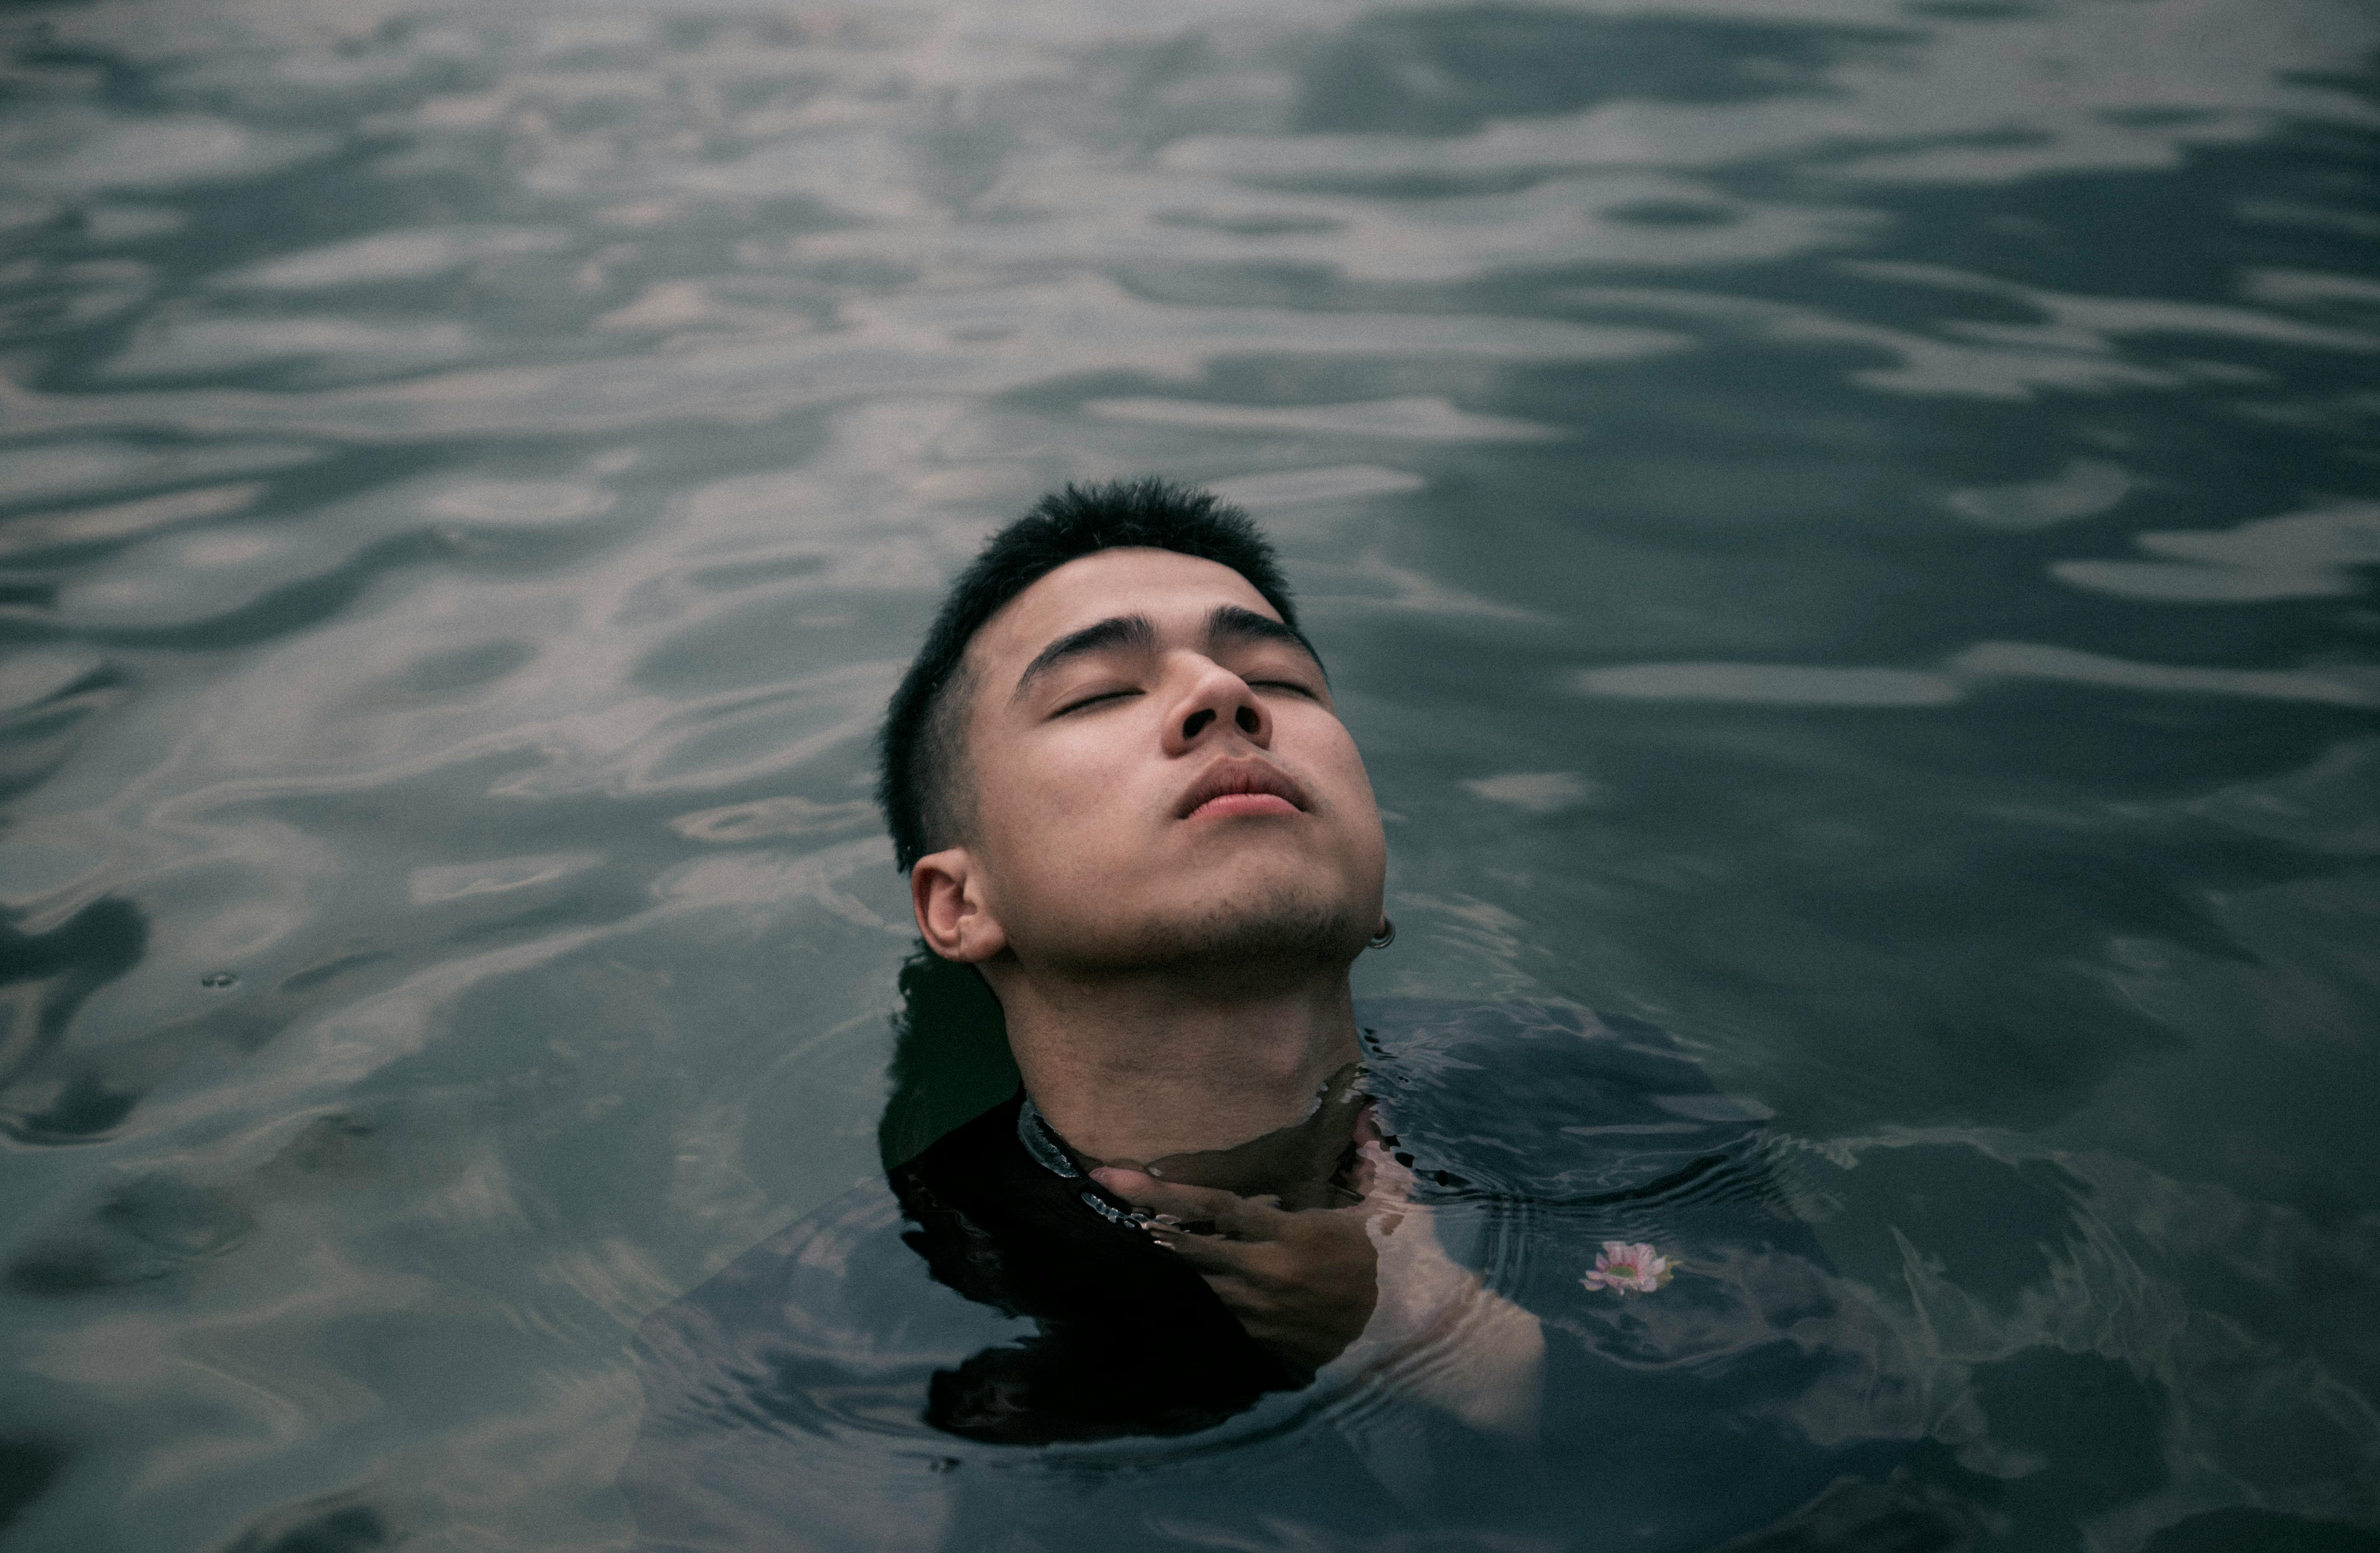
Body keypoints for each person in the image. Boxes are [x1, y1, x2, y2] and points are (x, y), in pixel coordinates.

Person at [620, 480, 1975, 1552]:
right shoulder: (810, 1347)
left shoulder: (1601, 1100)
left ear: (1373, 880)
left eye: (1286, 682)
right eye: (1101, 691)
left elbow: (1896, 1490)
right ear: (958, 906)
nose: (1225, 697)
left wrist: (1467, 1353)